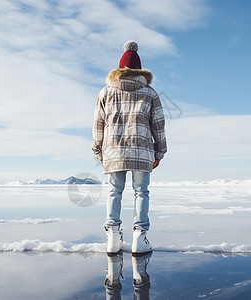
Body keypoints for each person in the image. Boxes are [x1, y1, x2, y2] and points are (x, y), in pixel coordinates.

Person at [92, 40, 167, 255]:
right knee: (141, 191)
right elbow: (158, 125)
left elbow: (98, 124)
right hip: (143, 151)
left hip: (113, 151)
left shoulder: (105, 92)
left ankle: (113, 238)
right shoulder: (150, 93)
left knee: (114, 191)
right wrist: (159, 151)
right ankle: (139, 238)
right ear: (139, 70)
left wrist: (99, 151)